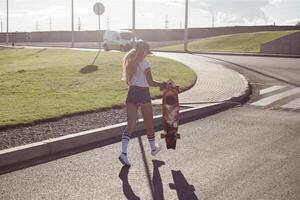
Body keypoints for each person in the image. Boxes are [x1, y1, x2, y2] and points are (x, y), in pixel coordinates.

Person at [119, 41, 165, 167]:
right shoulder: (145, 63)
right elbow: (150, 82)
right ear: (144, 51)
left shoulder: (130, 62)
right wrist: (163, 84)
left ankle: (123, 153)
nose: (147, 54)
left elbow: (130, 81)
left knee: (131, 125)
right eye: (147, 52)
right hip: (143, 93)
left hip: (131, 94)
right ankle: (153, 148)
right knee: (149, 122)